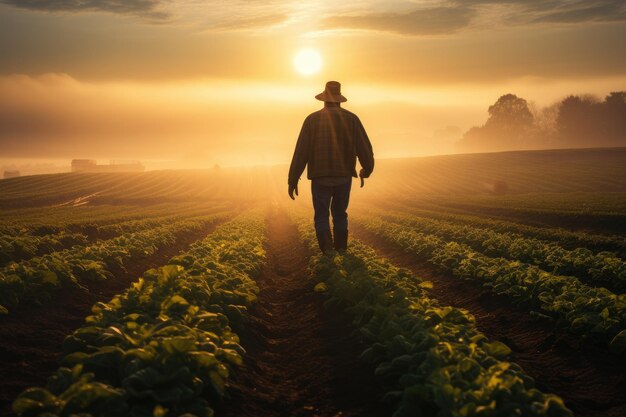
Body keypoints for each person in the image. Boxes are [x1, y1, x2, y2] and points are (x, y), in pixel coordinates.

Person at [288, 81, 375, 254]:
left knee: (321, 215)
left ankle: (327, 251)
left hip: (320, 177)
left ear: (324, 100)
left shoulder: (312, 120)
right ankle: (341, 248)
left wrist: (292, 179)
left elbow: (301, 152)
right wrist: (367, 170)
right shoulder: (352, 119)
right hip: (343, 176)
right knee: (340, 213)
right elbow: (364, 148)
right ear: (340, 100)